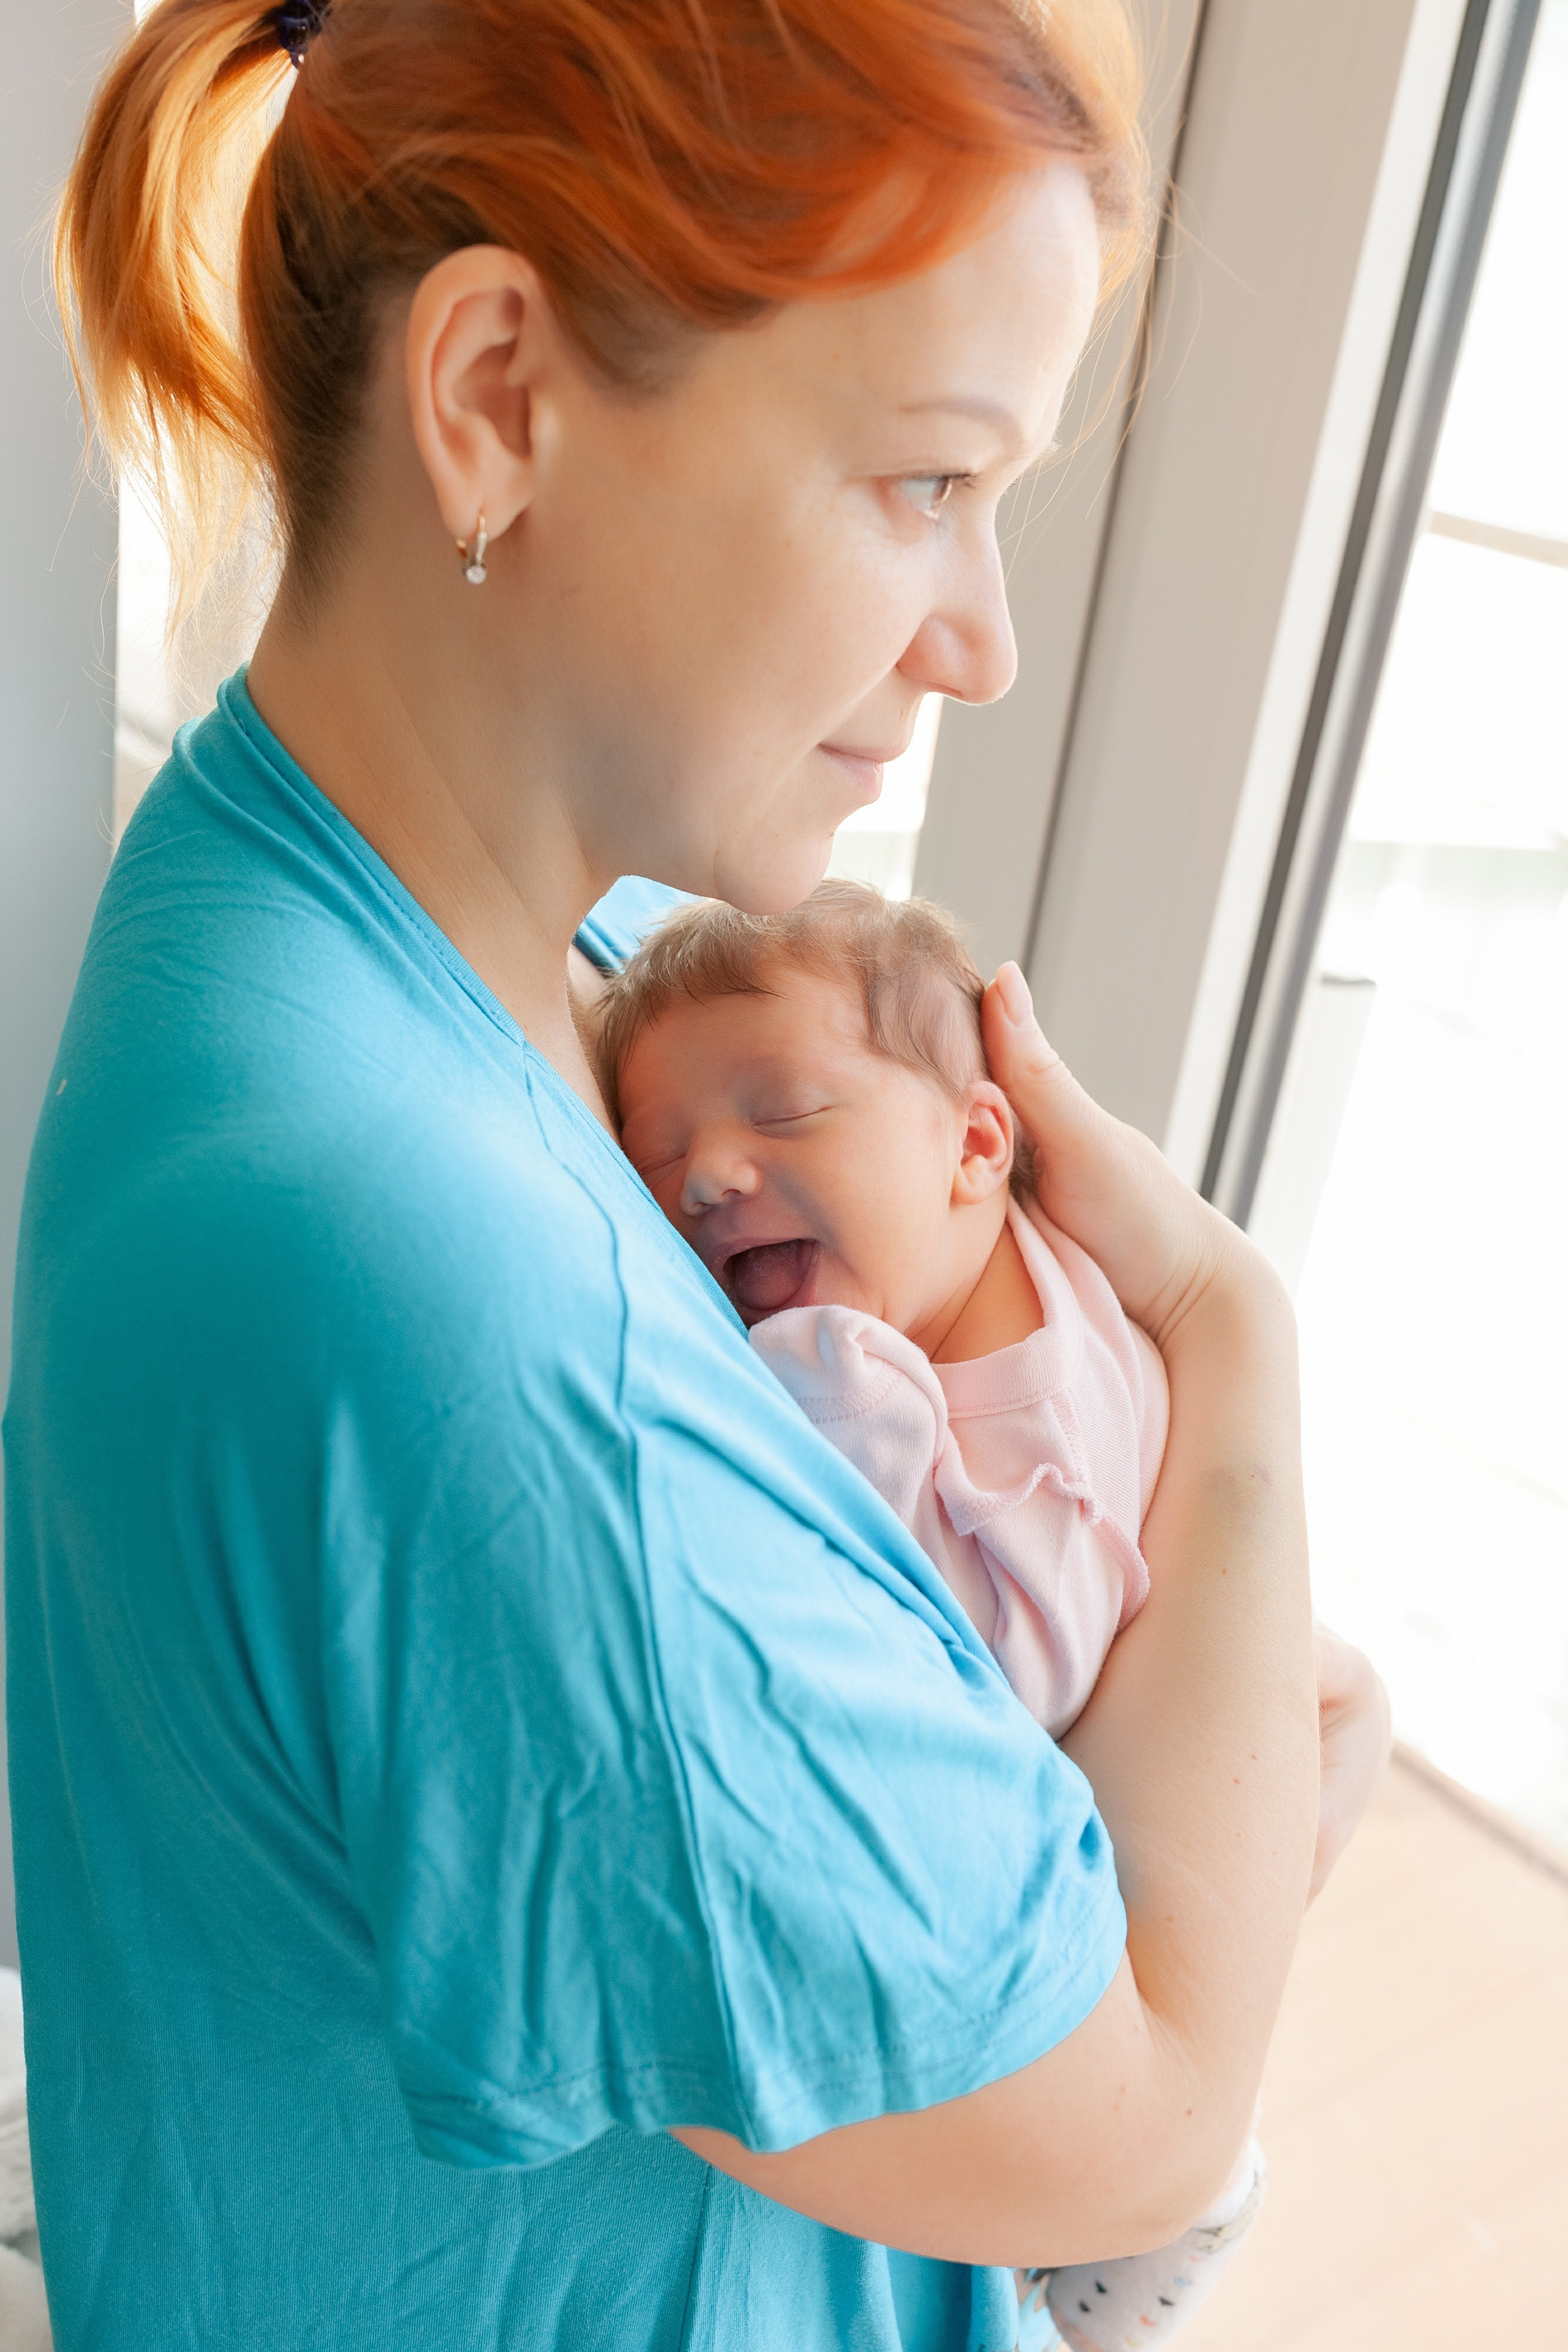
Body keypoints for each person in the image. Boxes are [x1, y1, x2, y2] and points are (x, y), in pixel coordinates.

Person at [5, 2, 1388, 2347]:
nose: (985, 638)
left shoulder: (505, 957)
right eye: (922, 484)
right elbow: (1151, 2105)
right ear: (498, 400)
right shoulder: (447, 1297)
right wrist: (1239, 1347)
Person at [598, 880, 1270, 2352]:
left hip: (1101, 1896)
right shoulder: (988, 1266)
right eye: (653, 1158)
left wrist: (852, 1411)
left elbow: (1015, 1672)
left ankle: (1118, 2262)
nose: (708, 1173)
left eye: (780, 1114)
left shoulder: (970, 1396)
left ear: (977, 1140)